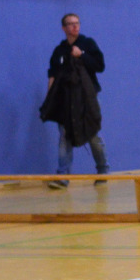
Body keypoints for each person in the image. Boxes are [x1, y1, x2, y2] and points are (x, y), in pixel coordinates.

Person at [45, 13, 110, 189]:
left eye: (77, 23)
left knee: (93, 135)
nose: (75, 26)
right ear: (63, 28)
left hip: (87, 98)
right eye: (70, 23)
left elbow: (100, 66)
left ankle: (103, 171)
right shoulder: (59, 50)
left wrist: (81, 55)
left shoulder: (88, 44)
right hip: (66, 99)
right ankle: (63, 176)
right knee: (64, 136)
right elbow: (53, 74)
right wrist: (50, 98)